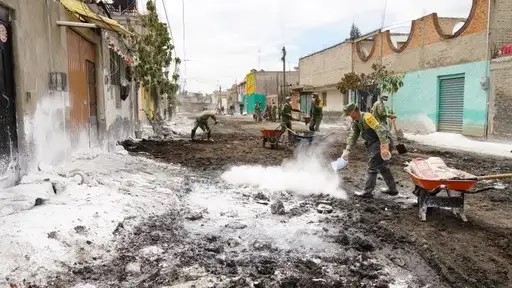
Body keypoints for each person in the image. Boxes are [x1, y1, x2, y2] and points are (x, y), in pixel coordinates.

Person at [341, 103, 398, 198]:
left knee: (372, 166)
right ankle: (393, 189)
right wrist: (347, 149)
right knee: (382, 166)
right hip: (375, 143)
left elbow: (380, 129)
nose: (349, 117)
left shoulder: (367, 117)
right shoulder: (357, 122)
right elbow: (353, 135)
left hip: (382, 141)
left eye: (349, 114)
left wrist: (384, 147)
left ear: (355, 111)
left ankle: (367, 192)